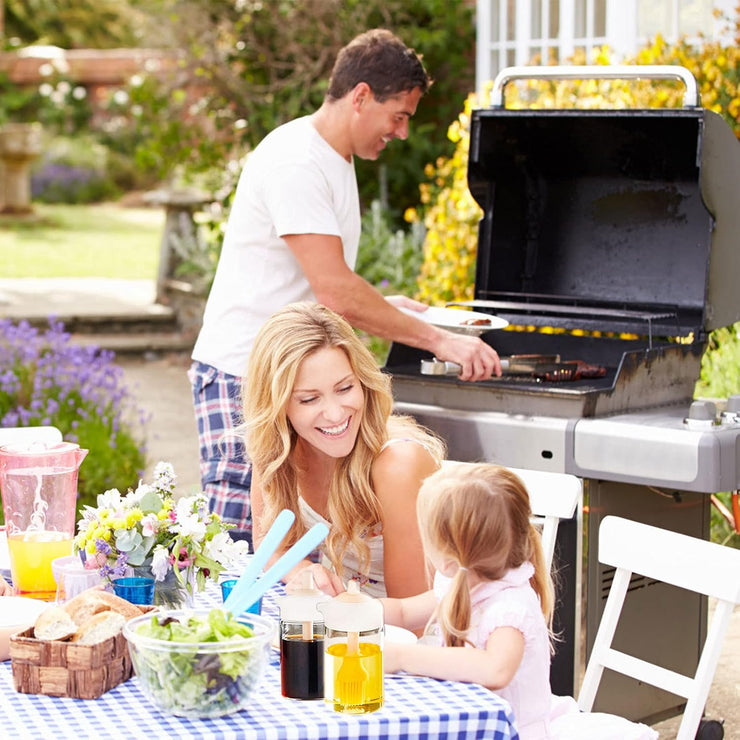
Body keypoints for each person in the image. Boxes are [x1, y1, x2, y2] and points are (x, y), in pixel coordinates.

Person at [189, 28, 501, 548]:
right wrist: (439, 340)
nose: (401, 132)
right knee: (241, 547)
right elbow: (334, 290)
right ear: (361, 97)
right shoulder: (298, 161)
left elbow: (319, 287)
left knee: (282, 547)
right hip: (242, 374)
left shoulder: (332, 159)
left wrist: (386, 307)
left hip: (287, 371)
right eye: (398, 115)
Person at [381, 462, 658, 740]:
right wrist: (346, 608)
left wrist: (403, 657)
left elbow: (495, 669)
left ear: (450, 554)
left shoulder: (509, 607)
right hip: (471, 722)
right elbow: (405, 613)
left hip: (515, 732)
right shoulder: (460, 580)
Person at [243, 302, 446, 598]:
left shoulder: (397, 464)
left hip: (416, 631)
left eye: (344, 388)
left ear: (362, 380)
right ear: (278, 406)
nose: (336, 415)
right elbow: (268, 543)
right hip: (348, 620)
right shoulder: (278, 448)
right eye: (309, 399)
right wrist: (300, 569)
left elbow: (414, 615)